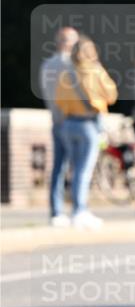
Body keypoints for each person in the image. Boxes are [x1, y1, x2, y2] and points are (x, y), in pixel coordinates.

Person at [55, 34, 118, 229]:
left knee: (74, 169)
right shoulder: (95, 72)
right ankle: (80, 210)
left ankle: (75, 209)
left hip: (68, 124)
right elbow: (112, 95)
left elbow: (60, 101)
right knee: (84, 170)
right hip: (88, 124)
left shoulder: (66, 74)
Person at [39, 26, 79, 226]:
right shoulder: (71, 66)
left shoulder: (47, 65)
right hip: (72, 120)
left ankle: (56, 211)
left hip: (56, 120)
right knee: (78, 168)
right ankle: (78, 210)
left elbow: (47, 94)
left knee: (58, 167)